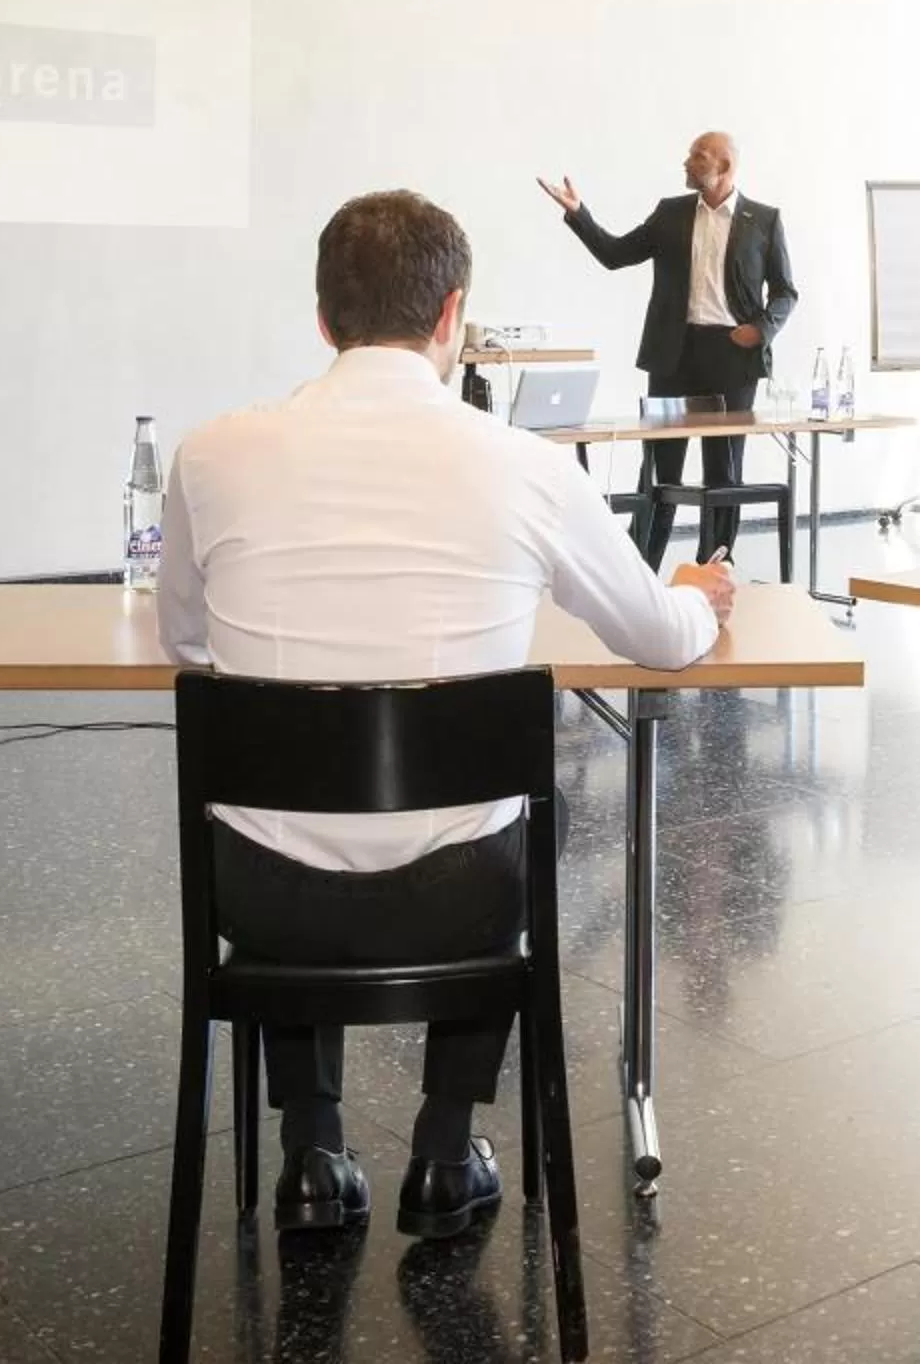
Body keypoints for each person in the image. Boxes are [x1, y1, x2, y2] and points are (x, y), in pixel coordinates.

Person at [159, 189, 735, 1240]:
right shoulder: (527, 466)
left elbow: (186, 647)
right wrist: (701, 588)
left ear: (324, 318)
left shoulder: (210, 453)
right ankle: (442, 1143)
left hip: (264, 900)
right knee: (497, 826)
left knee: (282, 813)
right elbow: (658, 635)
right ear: (452, 316)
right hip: (458, 901)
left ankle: (311, 1153)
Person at [538, 131, 798, 564]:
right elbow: (615, 253)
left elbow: (786, 291)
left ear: (725, 166)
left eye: (698, 155)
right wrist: (578, 214)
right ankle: (640, 574)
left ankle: (713, 575)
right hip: (673, 355)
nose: (686, 161)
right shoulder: (670, 213)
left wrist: (762, 330)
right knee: (659, 474)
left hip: (733, 357)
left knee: (724, 476)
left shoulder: (764, 220)